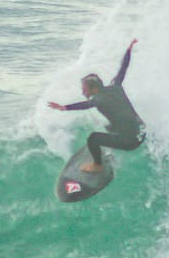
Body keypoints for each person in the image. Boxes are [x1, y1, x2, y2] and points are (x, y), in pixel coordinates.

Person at [47, 39, 146, 173]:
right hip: (141, 132)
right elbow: (123, 68)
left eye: (84, 89)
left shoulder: (99, 99)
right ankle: (110, 149)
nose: (83, 92)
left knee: (93, 139)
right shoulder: (116, 85)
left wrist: (65, 108)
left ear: (94, 89)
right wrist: (128, 50)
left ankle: (97, 166)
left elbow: (86, 104)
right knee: (109, 127)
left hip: (131, 142)